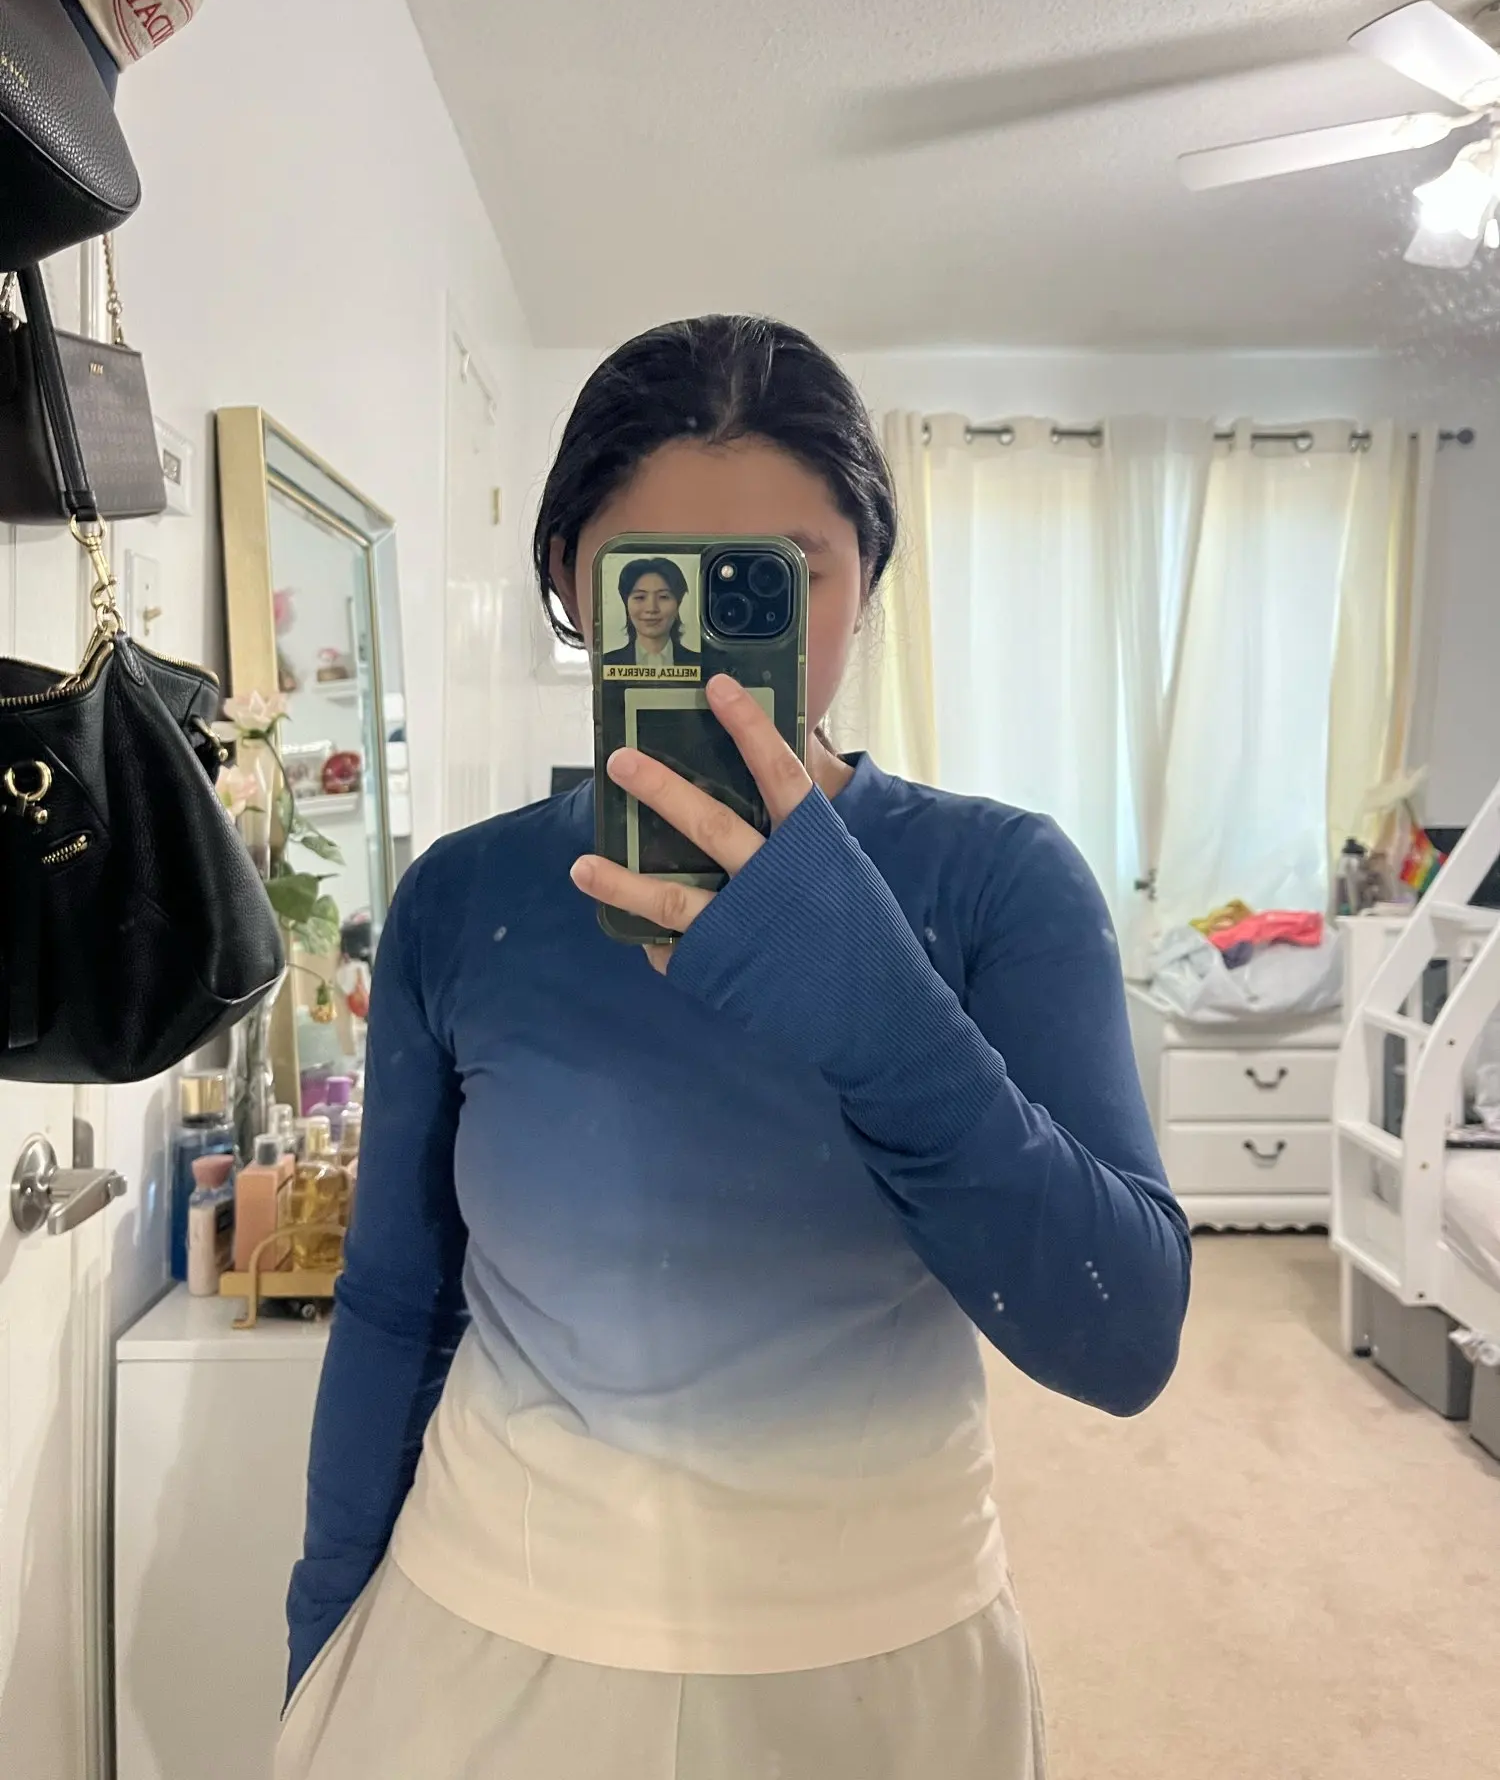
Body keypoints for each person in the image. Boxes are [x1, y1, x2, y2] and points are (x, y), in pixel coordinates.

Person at [276, 315, 1192, 1780]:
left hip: (883, 1660)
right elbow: (395, 1299)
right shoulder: (463, 894)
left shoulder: (997, 879)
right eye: (653, 576)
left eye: (778, 577)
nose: (700, 639)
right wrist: (324, 1629)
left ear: (866, 577)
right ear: (571, 580)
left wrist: (877, 1004)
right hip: (480, 1633)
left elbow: (1124, 1335)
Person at [601, 554, 703, 670]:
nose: (651, 608)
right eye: (640, 597)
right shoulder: (606, 664)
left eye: (663, 597)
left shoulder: (702, 664)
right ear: (626, 604)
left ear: (678, 604)